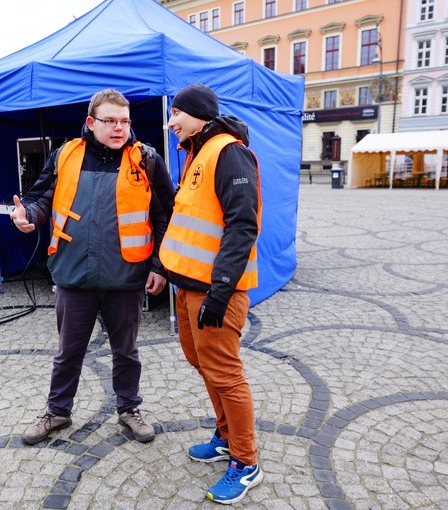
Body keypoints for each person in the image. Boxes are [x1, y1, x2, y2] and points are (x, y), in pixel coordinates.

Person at [9, 88, 175, 445]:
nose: (119, 129)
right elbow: (40, 198)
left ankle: (129, 408)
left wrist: (159, 266)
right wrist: (29, 216)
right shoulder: (65, 155)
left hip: (126, 276)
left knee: (126, 352)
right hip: (74, 274)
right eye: (110, 121)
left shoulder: (146, 159)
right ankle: (57, 412)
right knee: (68, 352)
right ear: (90, 122)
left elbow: (165, 215)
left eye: (125, 121)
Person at [160, 84, 263, 505]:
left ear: (198, 115)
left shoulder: (228, 151)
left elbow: (243, 224)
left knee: (225, 373)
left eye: (176, 114)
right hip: (188, 288)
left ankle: (246, 462)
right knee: (202, 364)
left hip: (216, 292)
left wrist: (220, 292)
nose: (170, 122)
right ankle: (225, 437)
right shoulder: (195, 154)